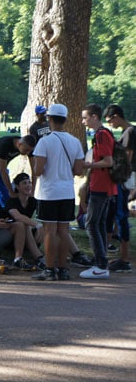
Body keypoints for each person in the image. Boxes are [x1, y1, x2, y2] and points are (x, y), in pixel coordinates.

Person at [30, 104, 85, 280]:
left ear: (50, 119)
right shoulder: (75, 141)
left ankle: (49, 269)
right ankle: (63, 269)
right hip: (67, 191)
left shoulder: (44, 141)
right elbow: (78, 170)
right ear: (65, 119)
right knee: (64, 231)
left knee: (49, 231)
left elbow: (38, 171)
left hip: (48, 192)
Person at [79, 103, 116, 279]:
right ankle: (101, 261)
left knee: (91, 223)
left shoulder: (101, 135)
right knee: (99, 223)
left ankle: (101, 265)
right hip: (105, 185)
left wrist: (89, 165)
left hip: (101, 185)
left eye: (85, 117)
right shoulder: (102, 133)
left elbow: (108, 161)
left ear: (95, 117)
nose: (83, 121)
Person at [104, 104, 133, 273]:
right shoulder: (128, 131)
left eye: (110, 121)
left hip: (124, 180)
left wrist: (118, 177)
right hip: (126, 180)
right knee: (118, 215)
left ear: (116, 116)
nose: (110, 125)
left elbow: (127, 158)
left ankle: (124, 259)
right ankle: (122, 257)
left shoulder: (129, 132)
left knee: (121, 217)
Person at [0, 134, 37, 206]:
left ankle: (7, 214)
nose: (28, 153)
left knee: (7, 197)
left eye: (30, 151)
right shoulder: (5, 144)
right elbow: (3, 170)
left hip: (1, 171)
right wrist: (11, 191)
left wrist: (33, 191)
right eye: (26, 150)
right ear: (19, 144)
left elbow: (34, 171)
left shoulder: (27, 146)